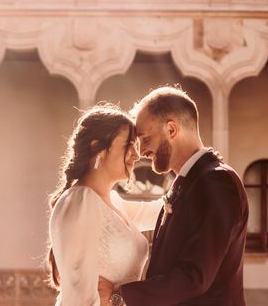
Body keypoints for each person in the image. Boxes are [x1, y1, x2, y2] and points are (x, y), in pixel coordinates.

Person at [101, 86, 249, 306]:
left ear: (171, 130)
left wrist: (119, 296)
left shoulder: (217, 183)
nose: (141, 151)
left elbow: (194, 277)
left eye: (145, 138)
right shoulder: (189, 182)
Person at [47, 104, 162, 305]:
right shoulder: (80, 202)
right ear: (96, 147)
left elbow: (160, 211)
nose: (136, 155)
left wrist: (196, 173)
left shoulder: (114, 202)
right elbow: (82, 298)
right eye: (128, 145)